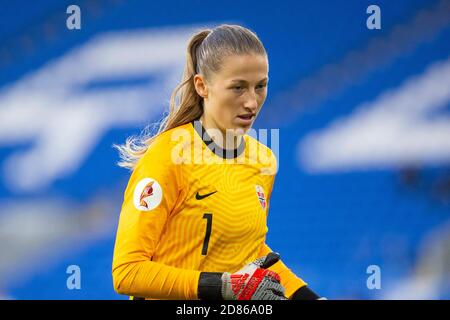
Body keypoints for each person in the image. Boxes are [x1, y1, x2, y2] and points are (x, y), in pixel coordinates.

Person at [112, 24, 321, 300]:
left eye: (261, 86)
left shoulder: (263, 160)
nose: (251, 102)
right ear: (202, 86)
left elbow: (251, 252)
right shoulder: (167, 157)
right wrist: (221, 286)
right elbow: (127, 272)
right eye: (238, 88)